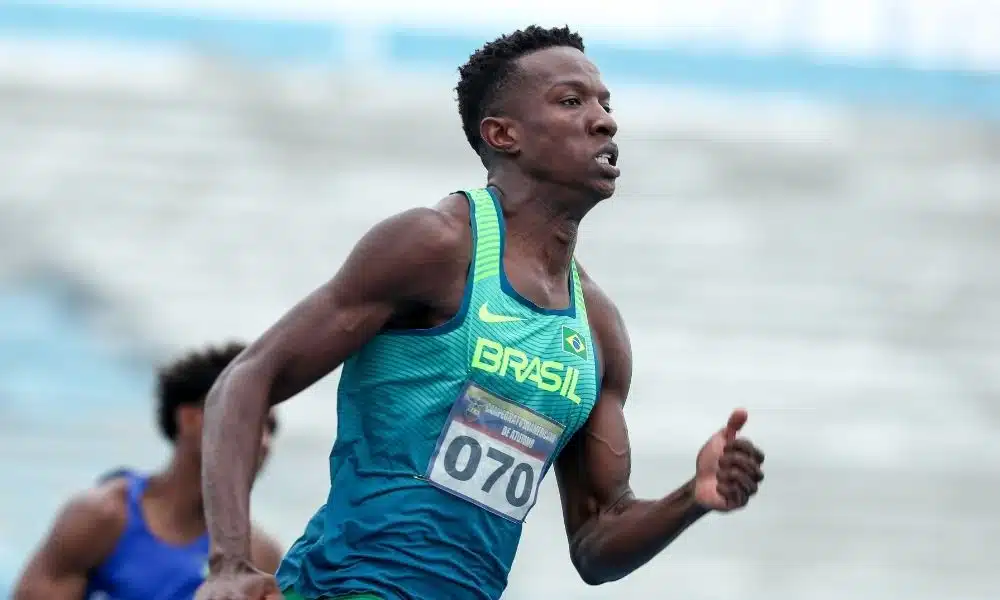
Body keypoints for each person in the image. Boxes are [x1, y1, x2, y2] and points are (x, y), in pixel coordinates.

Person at [195, 25, 766, 600]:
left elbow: (597, 538)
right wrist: (229, 564)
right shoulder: (434, 247)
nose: (604, 122)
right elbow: (246, 379)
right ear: (502, 134)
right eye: (572, 102)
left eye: (605, 104)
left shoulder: (597, 329)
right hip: (347, 586)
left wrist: (693, 496)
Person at [13, 342, 284, 600]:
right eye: (249, 419)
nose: (264, 442)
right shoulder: (101, 516)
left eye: (271, 428)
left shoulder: (260, 557)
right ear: (190, 420)